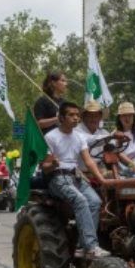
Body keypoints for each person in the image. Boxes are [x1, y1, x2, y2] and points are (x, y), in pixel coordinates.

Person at [41, 102, 109, 258]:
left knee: (96, 201)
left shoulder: (79, 137)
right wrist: (53, 164)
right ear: (61, 118)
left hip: (75, 176)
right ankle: (91, 246)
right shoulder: (51, 137)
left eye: (77, 115)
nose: (75, 118)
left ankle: (81, 247)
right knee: (80, 201)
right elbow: (44, 167)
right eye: (71, 115)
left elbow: (89, 161)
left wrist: (102, 180)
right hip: (57, 178)